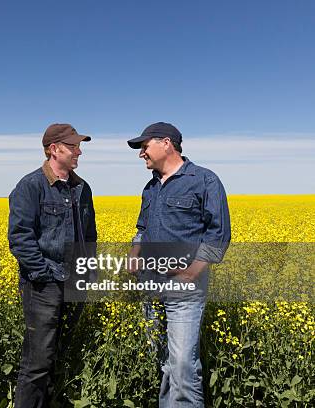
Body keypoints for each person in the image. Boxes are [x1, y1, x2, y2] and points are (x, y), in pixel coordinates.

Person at [126, 122, 231, 408]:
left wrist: (192, 271)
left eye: (144, 147)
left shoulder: (204, 180)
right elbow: (142, 226)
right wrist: (135, 252)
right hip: (150, 285)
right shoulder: (150, 187)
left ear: (166, 143)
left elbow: (218, 233)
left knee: (183, 366)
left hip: (183, 287)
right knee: (166, 364)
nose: (141, 154)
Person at [8, 123, 97, 408]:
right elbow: (20, 238)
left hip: (74, 282)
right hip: (43, 285)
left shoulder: (82, 188)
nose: (79, 151)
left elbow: (90, 235)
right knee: (37, 362)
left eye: (78, 146)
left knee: (57, 354)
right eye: (73, 146)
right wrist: (44, 275)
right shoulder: (31, 186)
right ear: (54, 149)